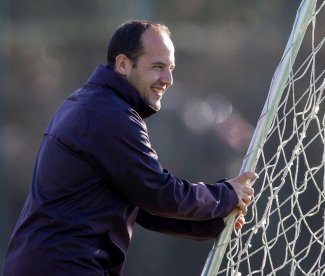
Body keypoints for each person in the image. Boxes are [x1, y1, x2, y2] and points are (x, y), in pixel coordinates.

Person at [3, 20, 257, 275]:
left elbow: (144, 206)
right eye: (158, 67)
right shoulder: (109, 114)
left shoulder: (96, 103)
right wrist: (226, 194)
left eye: (171, 68)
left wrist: (214, 222)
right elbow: (158, 192)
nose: (167, 79)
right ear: (123, 64)